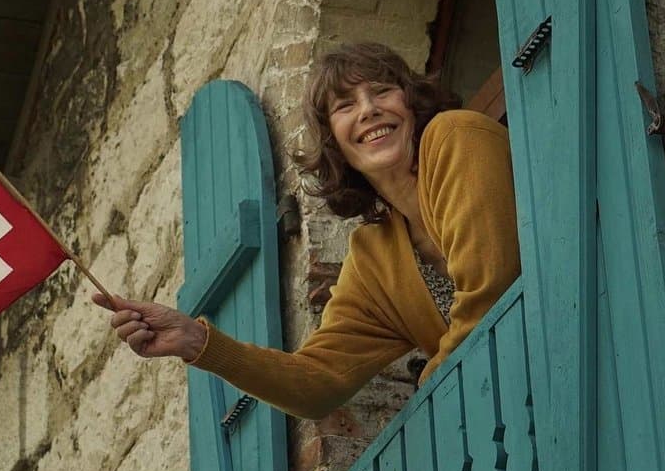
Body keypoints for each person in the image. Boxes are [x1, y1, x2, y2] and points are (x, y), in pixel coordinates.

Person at [92, 42, 520, 420]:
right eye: (345, 106)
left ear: (412, 104)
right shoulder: (374, 255)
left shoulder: (455, 136)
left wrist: (433, 381)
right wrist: (198, 341)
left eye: (382, 91)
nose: (368, 109)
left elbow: (492, 285)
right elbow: (318, 382)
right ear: (334, 142)